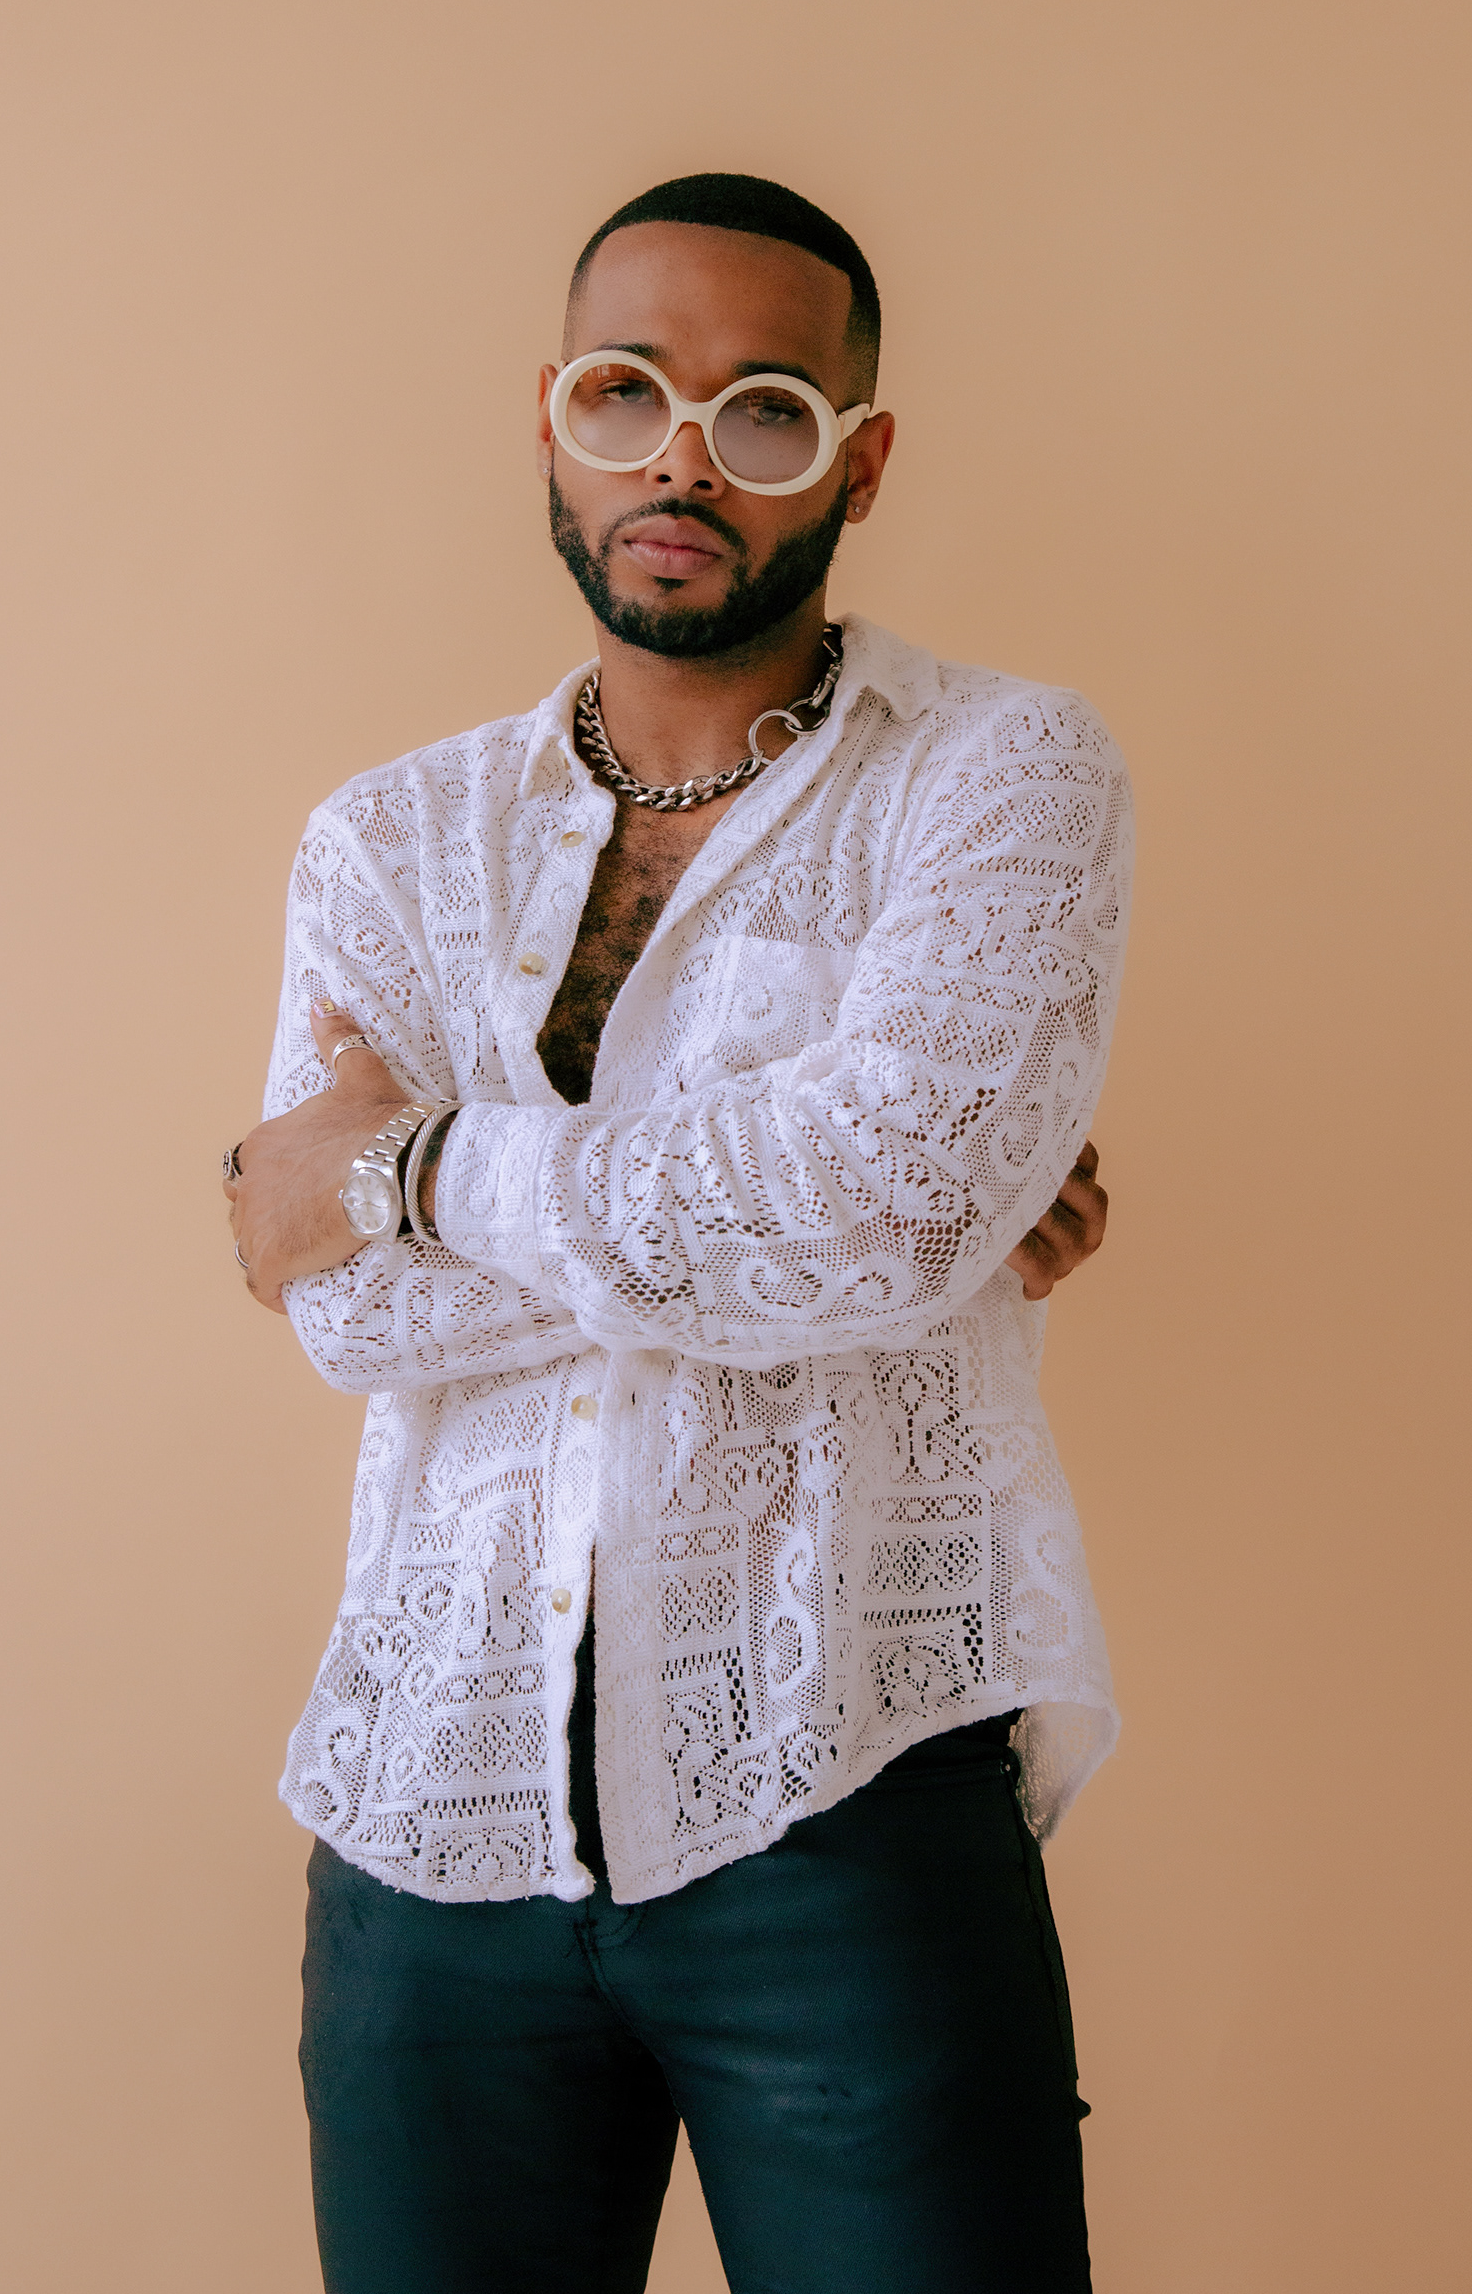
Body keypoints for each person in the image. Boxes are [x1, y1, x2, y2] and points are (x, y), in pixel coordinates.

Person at [224, 173, 1133, 2294]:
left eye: (763, 411)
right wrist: (798, 1216)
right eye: (625, 392)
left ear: (858, 462)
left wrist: (405, 1170)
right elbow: (345, 1319)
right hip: (426, 1814)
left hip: (844, 1795)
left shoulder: (1003, 774)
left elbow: (889, 1203)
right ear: (550, 418)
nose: (682, 459)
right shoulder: (389, 838)